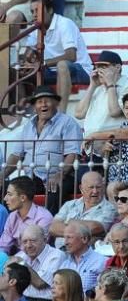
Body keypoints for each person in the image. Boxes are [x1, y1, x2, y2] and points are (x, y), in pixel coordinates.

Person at [2, 86, 82, 215]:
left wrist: (59, 175)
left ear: (56, 103)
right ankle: (10, 227)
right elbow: (16, 155)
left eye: (47, 101)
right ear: (34, 106)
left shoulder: (67, 123)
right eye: (39, 102)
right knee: (6, 189)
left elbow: (72, 154)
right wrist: (2, 174)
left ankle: (48, 230)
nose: (43, 105)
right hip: (32, 177)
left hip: (60, 176)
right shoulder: (28, 125)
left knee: (54, 189)